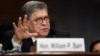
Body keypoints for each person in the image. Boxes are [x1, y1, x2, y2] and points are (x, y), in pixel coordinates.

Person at [2, 1, 70, 52]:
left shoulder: (61, 36)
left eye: (46, 18)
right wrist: (17, 41)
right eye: (39, 19)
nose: (44, 23)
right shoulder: (12, 37)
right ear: (26, 22)